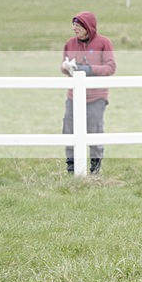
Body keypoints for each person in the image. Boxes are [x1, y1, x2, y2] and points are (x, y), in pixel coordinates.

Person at [60, 11, 116, 174]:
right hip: (73, 96)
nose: (74, 28)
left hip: (96, 97)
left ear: (87, 27)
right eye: (74, 25)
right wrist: (65, 68)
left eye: (78, 26)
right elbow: (63, 66)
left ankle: (94, 170)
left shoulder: (103, 43)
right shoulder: (69, 44)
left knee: (94, 132)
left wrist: (89, 70)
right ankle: (71, 169)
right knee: (69, 131)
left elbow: (110, 67)